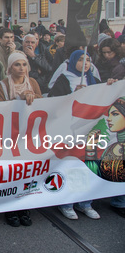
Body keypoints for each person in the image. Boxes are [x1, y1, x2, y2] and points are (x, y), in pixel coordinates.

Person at [48, 50, 111, 220]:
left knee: (90, 165)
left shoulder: (94, 80)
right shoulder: (64, 78)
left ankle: (85, 203)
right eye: (81, 59)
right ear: (73, 61)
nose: (85, 63)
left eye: (88, 59)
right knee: (72, 165)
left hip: (91, 132)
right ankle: (67, 204)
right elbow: (54, 102)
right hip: (71, 131)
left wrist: (111, 85)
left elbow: (106, 97)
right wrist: (74, 94)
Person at [0, 52, 42, 227]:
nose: (21, 68)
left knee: (26, 172)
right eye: (17, 65)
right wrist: (18, 101)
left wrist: (33, 98)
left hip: (27, 135)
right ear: (10, 67)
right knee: (10, 172)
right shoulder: (1, 85)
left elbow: (43, 107)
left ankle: (24, 207)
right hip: (8, 135)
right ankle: (9, 208)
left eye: (24, 64)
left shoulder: (33, 83)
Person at [85, 97, 125, 218]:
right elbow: (96, 174)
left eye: (115, 114)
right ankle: (84, 203)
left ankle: (120, 202)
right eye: (109, 114)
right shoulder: (112, 149)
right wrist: (90, 149)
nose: (109, 119)